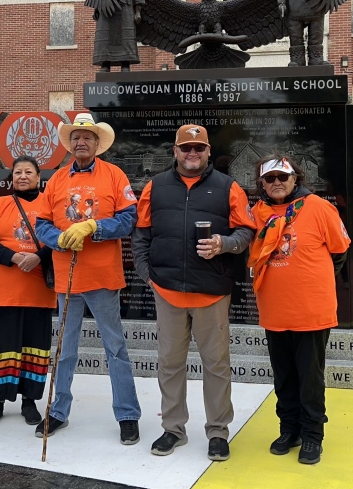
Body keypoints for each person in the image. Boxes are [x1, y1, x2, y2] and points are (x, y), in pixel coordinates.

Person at [131, 125, 255, 461]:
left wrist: (225, 244)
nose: (192, 154)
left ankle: (217, 431)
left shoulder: (227, 187)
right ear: (175, 151)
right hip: (168, 291)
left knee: (216, 365)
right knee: (169, 364)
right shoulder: (155, 187)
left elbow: (246, 230)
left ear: (208, 151)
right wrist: (148, 275)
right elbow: (141, 235)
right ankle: (173, 429)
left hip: (212, 292)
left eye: (198, 148)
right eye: (186, 148)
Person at [33, 113, 142, 444]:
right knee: (65, 350)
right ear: (70, 143)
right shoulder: (56, 180)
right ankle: (57, 411)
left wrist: (95, 227)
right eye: (76, 137)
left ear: (97, 144)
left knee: (116, 348)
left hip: (103, 277)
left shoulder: (114, 174)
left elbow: (129, 219)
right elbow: (40, 224)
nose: (82, 142)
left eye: (88, 137)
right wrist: (59, 238)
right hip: (67, 280)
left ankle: (127, 414)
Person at [247, 156, 350, 465]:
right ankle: (288, 429)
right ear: (262, 184)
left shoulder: (318, 207)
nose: (277, 182)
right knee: (284, 376)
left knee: (309, 378)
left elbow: (340, 251)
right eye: (270, 178)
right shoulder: (257, 214)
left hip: (310, 311)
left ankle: (312, 434)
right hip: (275, 311)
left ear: (296, 180)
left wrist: (310, 280)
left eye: (283, 177)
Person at [0, 155, 56, 427]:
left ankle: (29, 401)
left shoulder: (50, 203)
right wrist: (14, 257)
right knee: (1, 347)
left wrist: (38, 256)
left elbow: (59, 238)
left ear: (38, 177)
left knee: (35, 347)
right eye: (17, 172)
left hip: (38, 292)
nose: (22, 176)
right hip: (4, 290)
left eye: (28, 172)